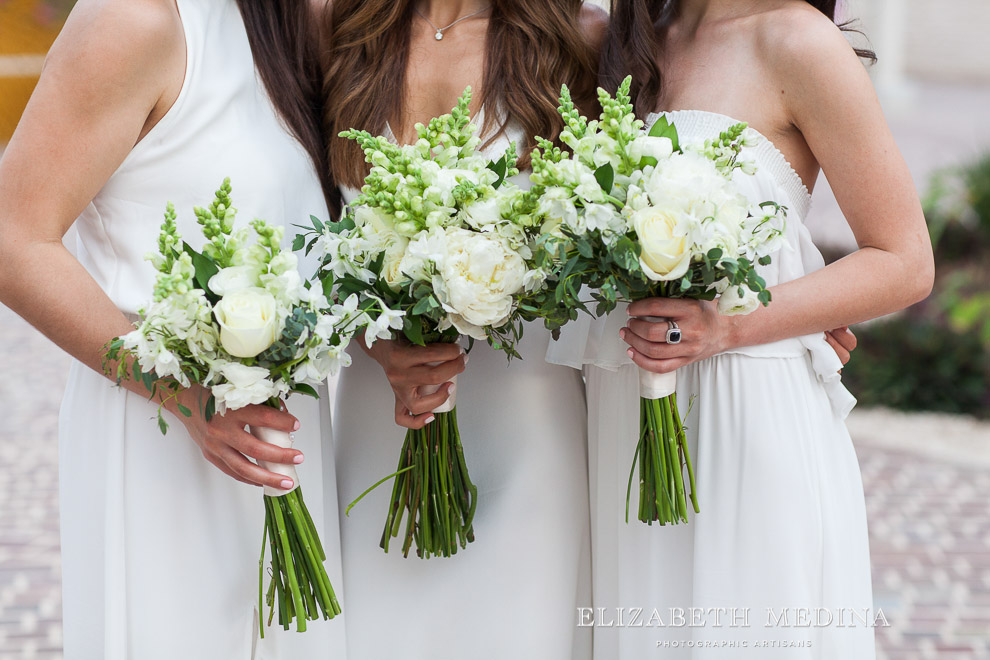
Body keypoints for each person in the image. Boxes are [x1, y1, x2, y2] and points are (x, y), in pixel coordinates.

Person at [546, 0, 933, 657]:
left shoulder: (797, 40)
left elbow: (904, 261)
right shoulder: (629, 45)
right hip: (626, 419)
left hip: (745, 415)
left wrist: (733, 322)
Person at [0, 0, 347, 657]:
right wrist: (185, 396)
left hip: (283, 434)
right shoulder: (135, 20)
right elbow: (14, 241)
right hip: (160, 432)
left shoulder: (290, 22)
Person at [321, 1, 606, 657]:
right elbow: (305, 227)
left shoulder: (580, 36)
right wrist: (375, 339)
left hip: (526, 422)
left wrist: (786, 303)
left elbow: (637, 195)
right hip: (378, 422)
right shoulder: (345, 30)